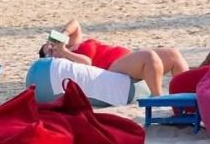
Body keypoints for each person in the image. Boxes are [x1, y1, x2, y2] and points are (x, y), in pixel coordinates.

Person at [38, 19, 189, 97]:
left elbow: (75, 24)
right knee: (149, 56)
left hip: (128, 57)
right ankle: (158, 99)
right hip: (112, 69)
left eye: (50, 45)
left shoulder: (73, 45)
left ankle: (186, 100)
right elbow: (87, 64)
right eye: (50, 52)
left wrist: (62, 35)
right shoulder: (68, 59)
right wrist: (63, 52)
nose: (53, 48)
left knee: (173, 55)